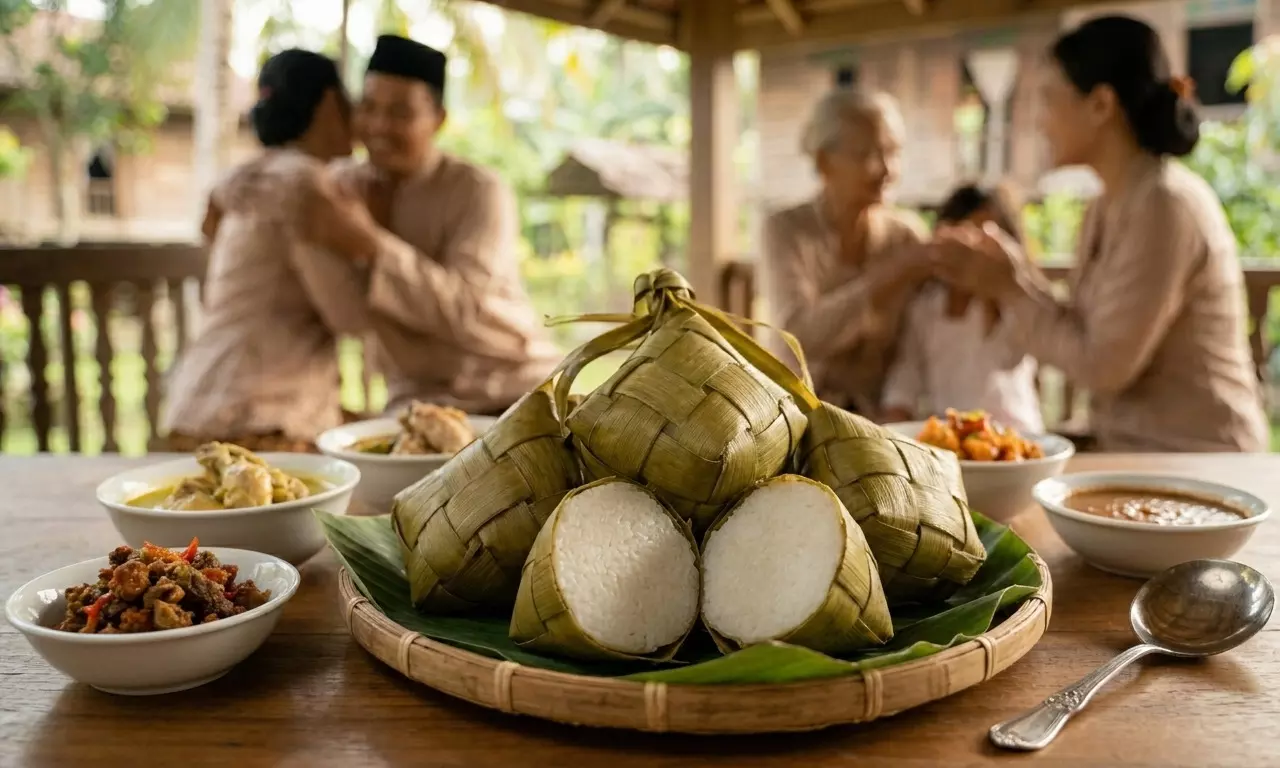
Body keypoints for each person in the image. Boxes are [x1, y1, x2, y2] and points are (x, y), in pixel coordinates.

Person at [933, 15, 1267, 452]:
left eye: (1050, 100)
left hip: (1199, 458)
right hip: (1135, 448)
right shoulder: (1108, 203)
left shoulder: (1164, 204)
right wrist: (1011, 276)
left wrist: (1009, 288)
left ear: (1100, 106)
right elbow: (1081, 329)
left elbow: (1103, 366)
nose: (1040, 121)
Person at [305, 35, 559, 416]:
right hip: (415, 399)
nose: (378, 125)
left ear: (438, 119)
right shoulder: (343, 187)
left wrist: (371, 243)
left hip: (513, 386)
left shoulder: (478, 191)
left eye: (400, 113)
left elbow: (461, 310)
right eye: (368, 107)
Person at [162, 49, 370, 452]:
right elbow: (350, 316)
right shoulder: (303, 188)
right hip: (253, 423)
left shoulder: (256, 176)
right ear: (329, 104)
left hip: (201, 406)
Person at [760, 88, 932, 416]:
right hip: (798, 416)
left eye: (893, 152)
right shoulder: (785, 229)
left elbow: (925, 334)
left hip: (885, 422)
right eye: (867, 154)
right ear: (825, 162)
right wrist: (882, 281)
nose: (886, 169)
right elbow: (794, 336)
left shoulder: (907, 237)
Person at [881, 184, 1043, 434]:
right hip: (954, 437)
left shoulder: (1012, 303)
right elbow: (907, 374)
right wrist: (894, 421)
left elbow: (1010, 356)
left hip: (1015, 433)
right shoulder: (927, 307)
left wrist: (992, 291)